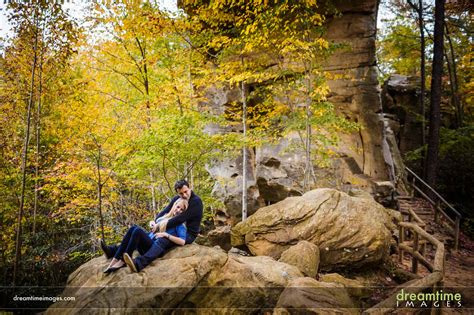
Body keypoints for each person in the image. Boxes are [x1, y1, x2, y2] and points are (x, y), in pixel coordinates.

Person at [101, 179, 203, 272]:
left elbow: (180, 219)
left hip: (188, 234)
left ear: (189, 188)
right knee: (145, 233)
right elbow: (166, 211)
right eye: (181, 193)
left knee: (163, 238)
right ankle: (113, 251)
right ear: (177, 193)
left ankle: (139, 262)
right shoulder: (178, 199)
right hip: (173, 226)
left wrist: (160, 228)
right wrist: (155, 221)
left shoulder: (196, 202)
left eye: (186, 192)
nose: (184, 195)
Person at [103, 198, 188, 273]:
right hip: (149, 241)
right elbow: (155, 224)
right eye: (178, 207)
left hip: (153, 247)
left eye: (182, 210)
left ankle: (123, 261)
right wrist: (152, 223)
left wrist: (166, 235)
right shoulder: (166, 217)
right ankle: (115, 258)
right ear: (174, 205)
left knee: (137, 231)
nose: (178, 210)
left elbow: (182, 241)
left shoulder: (180, 225)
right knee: (133, 228)